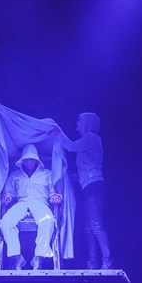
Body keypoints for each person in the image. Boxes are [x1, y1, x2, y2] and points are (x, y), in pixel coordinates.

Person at [56, 113, 113, 269]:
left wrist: (58, 132)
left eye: (79, 124)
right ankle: (92, 262)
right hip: (89, 187)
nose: (77, 128)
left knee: (95, 224)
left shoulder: (91, 138)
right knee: (88, 227)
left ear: (87, 123)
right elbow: (86, 169)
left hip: (94, 187)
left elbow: (70, 146)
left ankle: (107, 261)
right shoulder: (89, 141)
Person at [0, 144, 62, 270]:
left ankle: (39, 258)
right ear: (22, 161)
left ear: (36, 161)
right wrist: (6, 197)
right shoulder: (15, 175)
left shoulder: (47, 174)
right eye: (26, 160)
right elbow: (8, 193)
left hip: (40, 203)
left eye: (31, 160)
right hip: (21, 203)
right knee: (6, 222)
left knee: (48, 221)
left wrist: (55, 197)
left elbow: (53, 192)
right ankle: (17, 258)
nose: (29, 163)